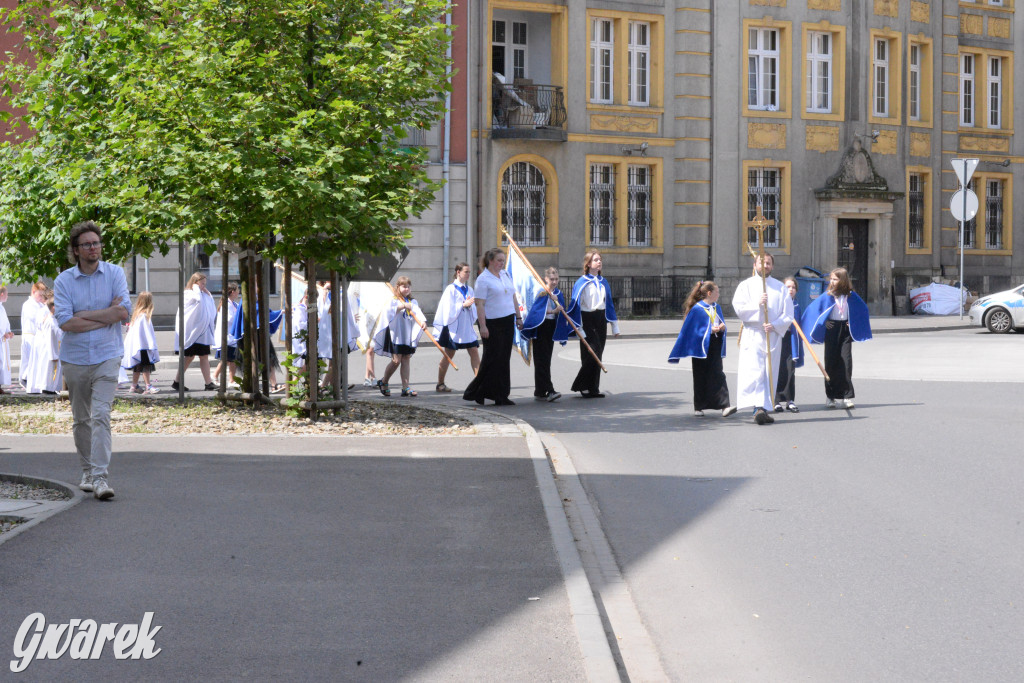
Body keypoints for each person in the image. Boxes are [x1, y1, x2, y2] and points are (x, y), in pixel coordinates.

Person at [54, 220, 131, 500]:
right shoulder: (64, 281)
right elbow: (65, 322)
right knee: (81, 419)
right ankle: (86, 470)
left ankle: (100, 478)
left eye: (96, 243)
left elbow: (123, 313)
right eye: (86, 244)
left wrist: (85, 315)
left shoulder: (115, 274)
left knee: (101, 416)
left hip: (107, 355)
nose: (93, 248)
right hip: (74, 359)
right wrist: (104, 315)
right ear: (76, 250)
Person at [731, 253, 794, 425]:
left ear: (772, 266)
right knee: (754, 372)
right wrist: (757, 304)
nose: (765, 266)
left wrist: (774, 324)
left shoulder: (780, 288)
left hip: (771, 335)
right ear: (755, 264)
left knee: (768, 372)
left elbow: (788, 315)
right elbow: (739, 309)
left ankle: (764, 408)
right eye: (762, 262)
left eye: (768, 263)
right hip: (753, 335)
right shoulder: (746, 286)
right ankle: (757, 408)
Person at [801, 267, 872, 409]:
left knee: (846, 362)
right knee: (831, 362)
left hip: (845, 330)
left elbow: (863, 309)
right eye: (831, 279)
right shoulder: (828, 295)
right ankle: (830, 396)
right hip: (832, 329)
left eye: (835, 279)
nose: (832, 281)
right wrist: (824, 322)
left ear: (843, 280)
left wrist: (851, 321)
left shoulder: (850, 295)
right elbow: (813, 310)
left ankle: (846, 396)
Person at [668, 280, 738, 418]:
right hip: (700, 348)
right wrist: (708, 330)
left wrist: (722, 328)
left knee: (718, 373)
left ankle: (725, 406)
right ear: (710, 293)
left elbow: (720, 322)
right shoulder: (697, 309)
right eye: (717, 292)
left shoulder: (717, 307)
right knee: (700, 376)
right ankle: (699, 407)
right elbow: (691, 331)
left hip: (715, 343)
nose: (719, 294)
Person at [462, 248, 522, 406]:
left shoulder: (505, 275)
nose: (501, 263)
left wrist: (518, 316)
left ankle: (501, 394)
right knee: (491, 358)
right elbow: (479, 304)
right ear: (490, 261)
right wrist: (482, 326)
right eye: (499, 260)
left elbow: (513, 297)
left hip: (507, 320)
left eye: (503, 260)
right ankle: (477, 391)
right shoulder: (483, 279)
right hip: (492, 322)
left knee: (504, 359)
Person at [567, 251, 620, 398]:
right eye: (595, 260)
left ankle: (593, 387)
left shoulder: (603, 282)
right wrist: (579, 328)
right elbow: (576, 306)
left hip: (601, 318)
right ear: (588, 264)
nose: (599, 262)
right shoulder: (581, 282)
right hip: (587, 318)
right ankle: (582, 385)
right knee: (591, 351)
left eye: (600, 260)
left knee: (599, 352)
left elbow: (608, 304)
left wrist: (614, 326)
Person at [521, 266, 570, 402]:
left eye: (556, 279)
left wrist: (559, 309)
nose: (554, 282)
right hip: (540, 327)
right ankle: (550, 390)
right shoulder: (542, 292)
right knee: (541, 359)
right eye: (551, 279)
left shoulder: (558, 294)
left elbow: (562, 311)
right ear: (546, 279)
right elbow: (535, 311)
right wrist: (552, 311)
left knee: (545, 360)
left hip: (551, 328)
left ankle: (540, 389)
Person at [373, 276, 427, 397]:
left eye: (408, 287)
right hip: (396, 335)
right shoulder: (394, 300)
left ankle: (405, 387)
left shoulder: (413, 302)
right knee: (396, 361)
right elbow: (387, 312)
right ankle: (384, 381)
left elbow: (418, 313)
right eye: (404, 286)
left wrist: (423, 322)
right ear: (398, 287)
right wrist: (402, 306)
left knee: (406, 358)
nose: (406, 289)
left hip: (407, 335)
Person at [432, 262, 480, 393]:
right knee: (449, 354)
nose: (468, 274)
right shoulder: (451, 289)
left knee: (474, 352)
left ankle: (479, 383)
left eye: (469, 272)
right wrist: (463, 305)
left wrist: (470, 306)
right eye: (466, 272)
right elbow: (448, 310)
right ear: (458, 272)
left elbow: (473, 308)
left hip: (466, 327)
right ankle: (440, 383)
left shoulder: (469, 289)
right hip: (454, 328)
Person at [173, 272, 217, 392]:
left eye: (205, 284)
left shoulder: (203, 294)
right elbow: (197, 300)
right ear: (195, 283)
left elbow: (210, 307)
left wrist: (208, 293)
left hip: (202, 333)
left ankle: (208, 383)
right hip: (192, 332)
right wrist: (197, 289)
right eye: (202, 284)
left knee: (203, 356)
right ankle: (177, 381)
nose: (204, 286)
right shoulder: (188, 293)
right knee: (189, 357)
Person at [122, 291, 160, 395]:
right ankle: (148, 386)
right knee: (146, 366)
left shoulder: (137, 315)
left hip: (137, 346)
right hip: (143, 346)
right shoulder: (144, 316)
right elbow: (147, 333)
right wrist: (151, 345)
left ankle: (134, 386)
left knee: (138, 366)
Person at [25, 292, 63, 395]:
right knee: (49, 370)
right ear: (54, 308)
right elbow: (50, 339)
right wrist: (53, 354)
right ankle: (47, 389)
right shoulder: (50, 322)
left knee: (52, 371)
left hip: (56, 349)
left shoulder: (54, 320)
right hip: (51, 351)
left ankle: (51, 388)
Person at [19, 281, 47, 387]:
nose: (41, 297)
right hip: (30, 335)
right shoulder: (28, 305)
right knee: (30, 359)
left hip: (38, 336)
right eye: (40, 295)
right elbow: (35, 318)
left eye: (43, 295)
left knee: (37, 360)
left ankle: (33, 379)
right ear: (33, 292)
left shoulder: (40, 304)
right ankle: (25, 378)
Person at [212, 282, 240, 385]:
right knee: (228, 359)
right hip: (227, 336)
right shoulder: (226, 304)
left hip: (231, 337)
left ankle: (229, 379)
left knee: (230, 360)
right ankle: (217, 376)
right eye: (237, 290)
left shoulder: (233, 304)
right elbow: (229, 318)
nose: (238, 292)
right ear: (232, 292)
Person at [0, 285, 13, 393]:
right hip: (1, 338)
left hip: (2, 340)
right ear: (2, 294)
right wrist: (3, 333)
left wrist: (8, 331)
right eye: (7, 294)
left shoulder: (2, 307)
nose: (8, 297)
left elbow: (5, 321)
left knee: (2, 362)